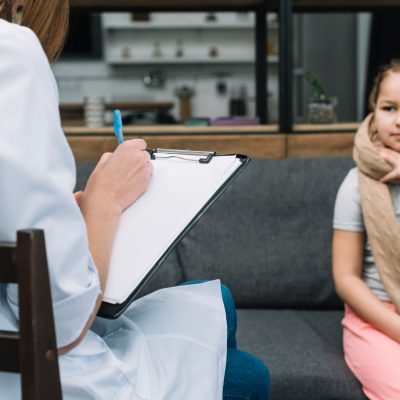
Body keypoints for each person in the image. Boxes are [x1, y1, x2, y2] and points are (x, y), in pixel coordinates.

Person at [0, 1, 270, 399]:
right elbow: (58, 322)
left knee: (217, 300)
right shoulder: (12, 52)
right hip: (34, 371)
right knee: (248, 373)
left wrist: (76, 216)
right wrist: (104, 200)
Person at [333, 58, 400, 400]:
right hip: (377, 316)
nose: (399, 120)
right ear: (374, 109)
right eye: (390, 107)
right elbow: (346, 279)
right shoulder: (356, 185)